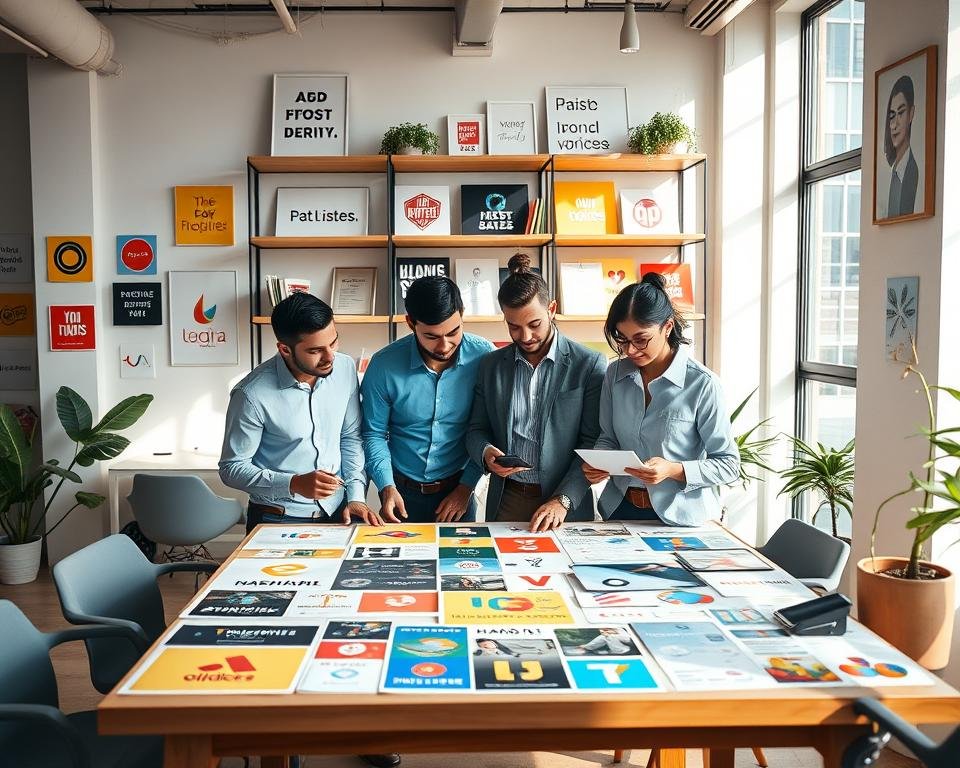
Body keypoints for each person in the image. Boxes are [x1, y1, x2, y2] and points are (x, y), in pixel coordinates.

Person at [582, 273, 739, 525]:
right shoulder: (614, 374)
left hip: (681, 518)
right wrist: (598, 462)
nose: (630, 350)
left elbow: (729, 464)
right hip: (619, 510)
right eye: (622, 339)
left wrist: (673, 469)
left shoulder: (702, 384)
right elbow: (608, 437)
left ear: (667, 327)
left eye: (641, 340)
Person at [219, 292, 383, 533]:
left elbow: (349, 437)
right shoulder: (250, 394)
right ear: (285, 349)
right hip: (277, 518)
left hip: (339, 513)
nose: (330, 357)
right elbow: (231, 468)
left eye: (333, 342)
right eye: (316, 350)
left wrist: (356, 496)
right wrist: (293, 483)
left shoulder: (345, 368)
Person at [466, 253, 606, 532]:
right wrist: (485, 453)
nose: (526, 336)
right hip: (507, 499)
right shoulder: (491, 365)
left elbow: (592, 442)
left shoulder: (588, 364)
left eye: (534, 324)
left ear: (551, 309)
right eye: (513, 326)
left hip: (565, 503)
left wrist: (564, 500)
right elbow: (475, 429)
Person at [361, 276, 493, 523]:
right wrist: (386, 487)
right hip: (401, 493)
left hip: (459, 492)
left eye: (454, 332)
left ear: (462, 314)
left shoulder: (484, 356)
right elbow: (373, 434)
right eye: (431, 336)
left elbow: (486, 429)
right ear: (410, 323)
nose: (444, 345)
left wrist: (466, 488)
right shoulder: (384, 365)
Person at [884, 75, 920, 218]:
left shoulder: (912, 171)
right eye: (892, 115)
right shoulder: (891, 173)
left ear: (911, 114)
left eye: (901, 113)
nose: (894, 124)